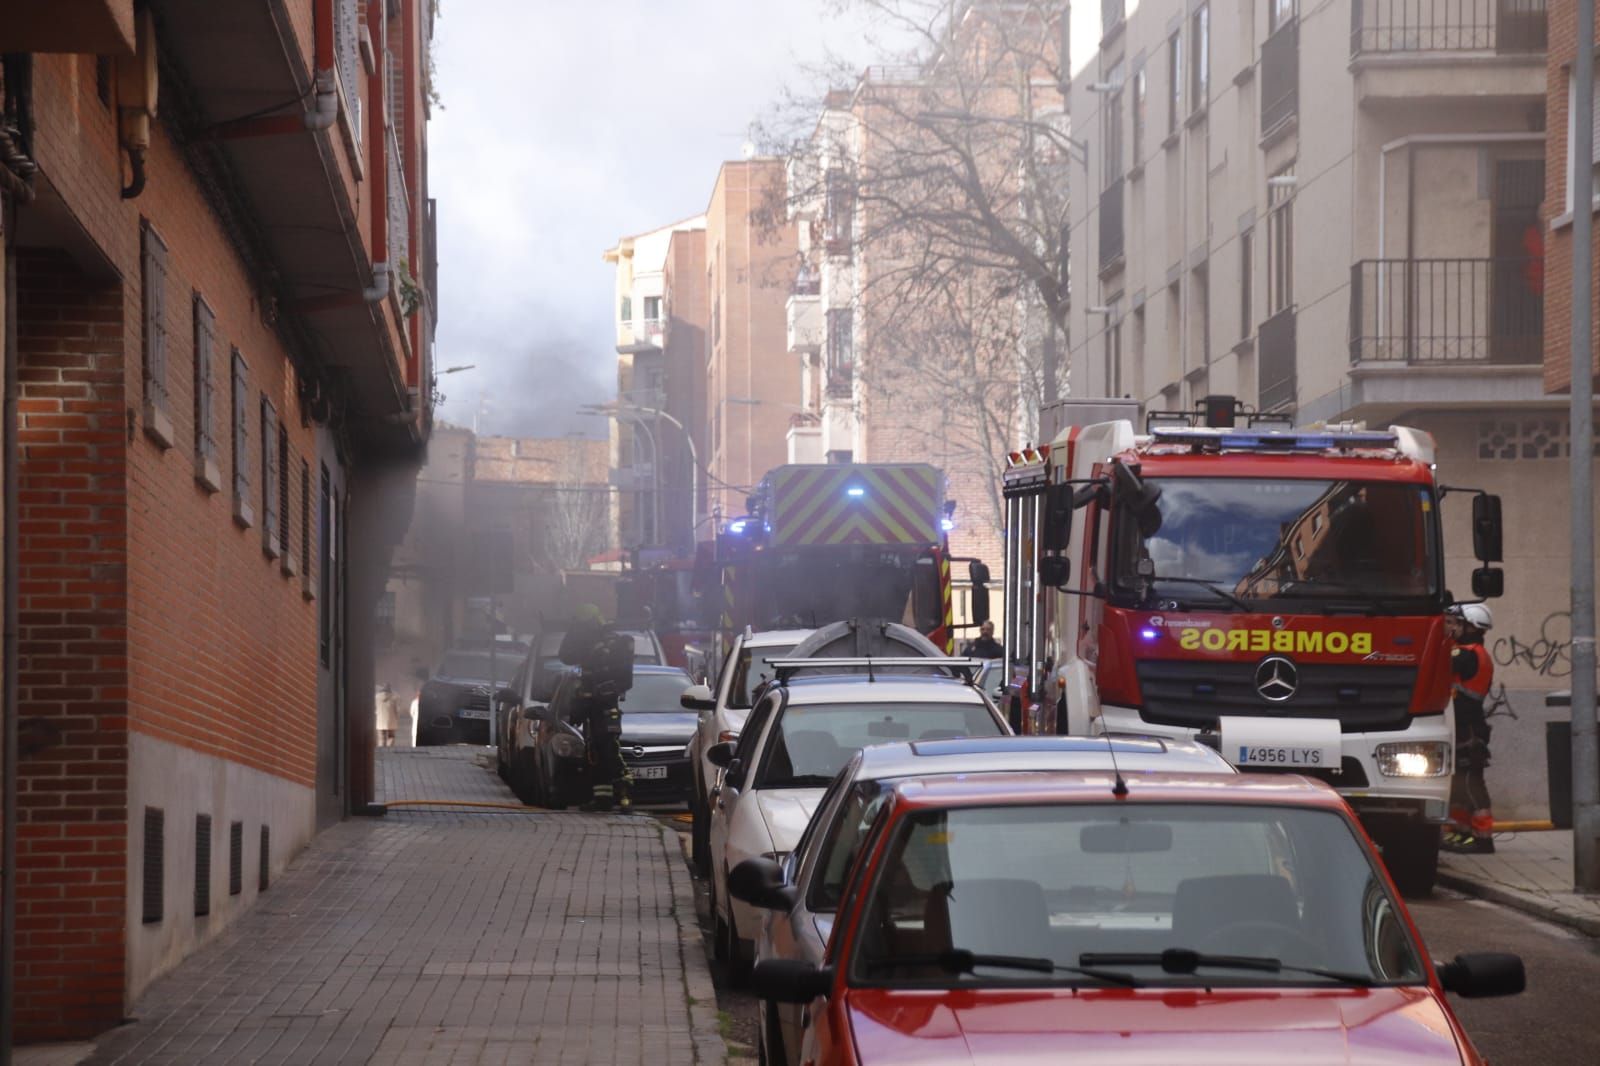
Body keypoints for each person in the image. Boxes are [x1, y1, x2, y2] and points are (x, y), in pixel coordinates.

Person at [559, 605, 635, 812]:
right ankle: (603, 799)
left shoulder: (614, 643)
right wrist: (573, 630)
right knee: (595, 752)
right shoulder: (585, 643)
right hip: (591, 706)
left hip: (606, 706)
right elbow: (565, 656)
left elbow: (623, 679)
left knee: (609, 750)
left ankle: (625, 794)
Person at [1443, 603, 1496, 855]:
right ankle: (1461, 832)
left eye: (1456, 624)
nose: (1451, 628)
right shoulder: (1470, 652)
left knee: (1469, 782)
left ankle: (1483, 838)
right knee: (1458, 783)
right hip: (1462, 726)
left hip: (1468, 729)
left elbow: (1442, 659)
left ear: (1471, 627)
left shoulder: (1467, 654)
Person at [375, 683, 399, 748]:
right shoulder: (394, 697)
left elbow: (374, 708)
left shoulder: (377, 697)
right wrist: (397, 718)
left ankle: (381, 751)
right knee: (391, 737)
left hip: (380, 721)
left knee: (381, 738)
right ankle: (389, 751)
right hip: (391, 721)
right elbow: (397, 710)